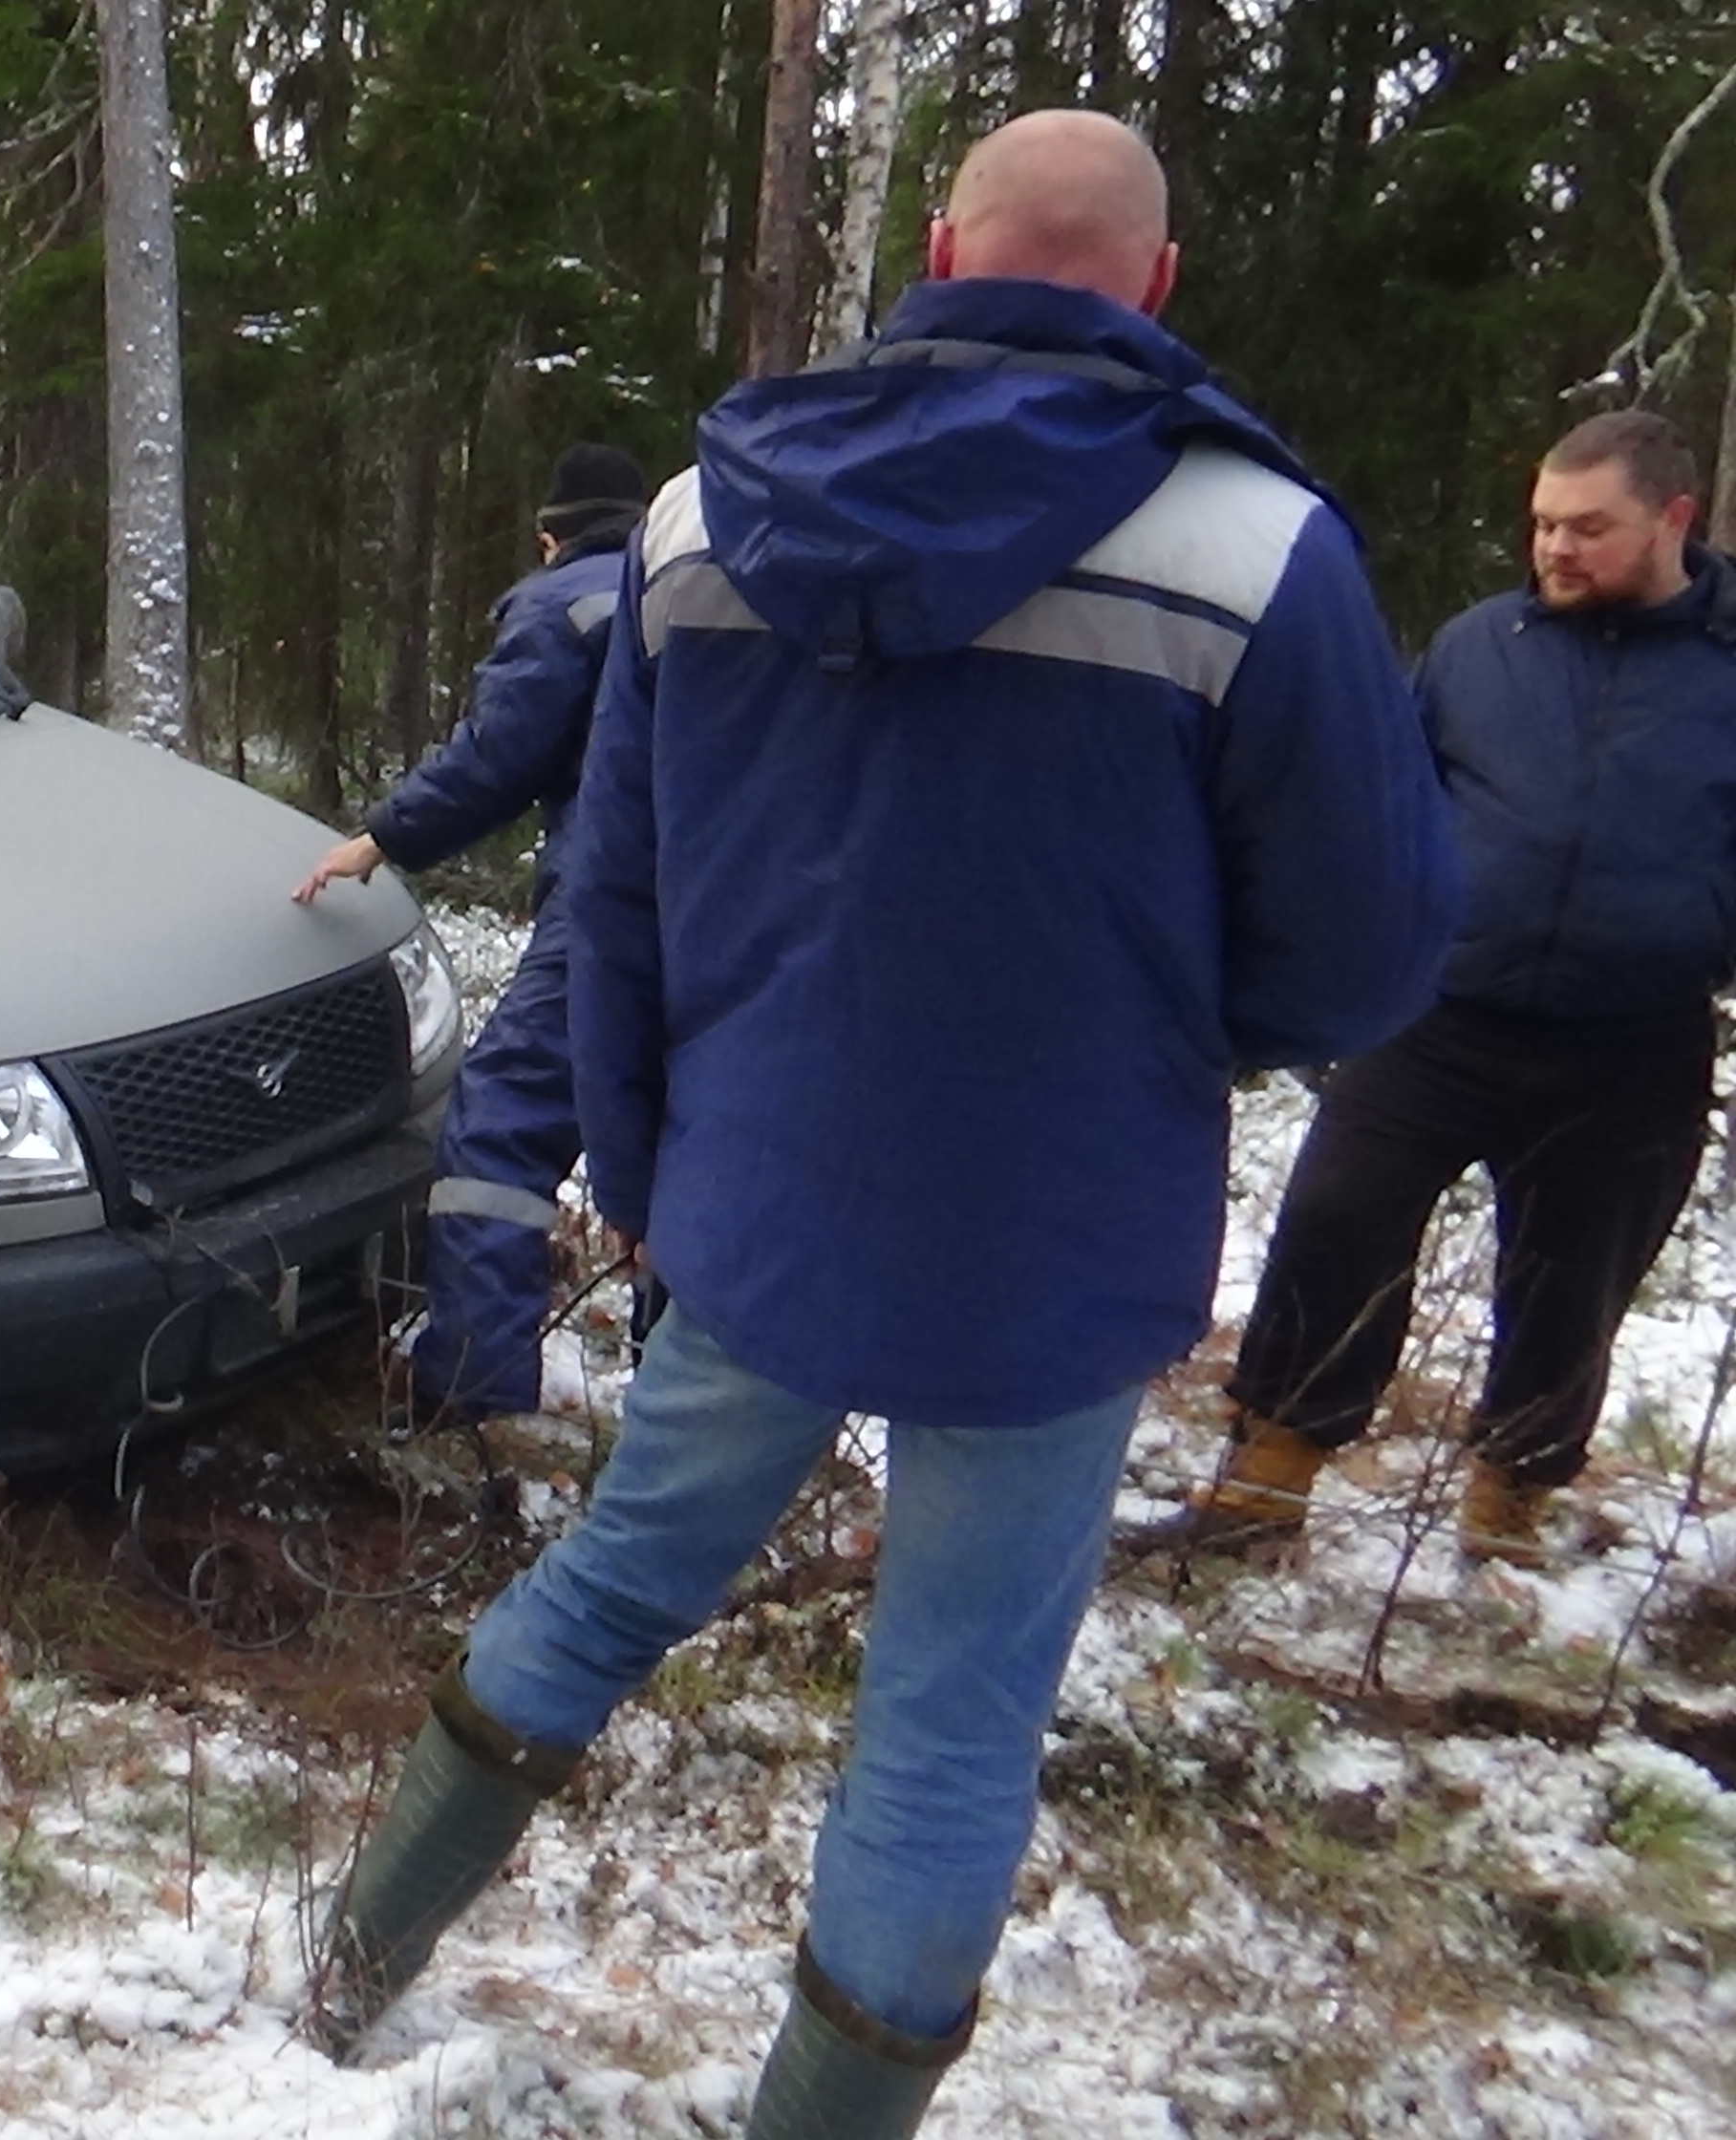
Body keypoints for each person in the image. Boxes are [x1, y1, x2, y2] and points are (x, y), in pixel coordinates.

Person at [302, 112, 1455, 2134]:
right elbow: (1361, 956)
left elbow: (615, 898)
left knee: (611, 1580)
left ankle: (340, 1970)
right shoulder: (1255, 550)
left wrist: (643, 1170)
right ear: (1155, 284)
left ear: (933, 250)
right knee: (946, 1718)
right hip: (1057, 1227)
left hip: (759, 1198)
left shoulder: (695, 520)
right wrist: (1169, 1033)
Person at [1189, 411, 1736, 1568]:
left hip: (1633, 1043)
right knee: (1335, 1223)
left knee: (1573, 1289)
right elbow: (1381, 819)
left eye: (1589, 527)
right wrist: (1321, 966)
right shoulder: (1481, 646)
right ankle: (1269, 1472)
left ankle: (1511, 1503)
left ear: (1674, 519)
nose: (1555, 548)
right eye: (1543, 524)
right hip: (1435, 1013)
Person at [297, 442, 653, 1423]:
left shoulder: (561, 604)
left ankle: (471, 1396)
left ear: (549, 538)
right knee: (686, 1139)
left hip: (617, 900)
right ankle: (677, 1406)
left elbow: (498, 754)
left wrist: (382, 837)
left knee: (501, 1126)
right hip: (736, 908)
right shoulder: (690, 585)